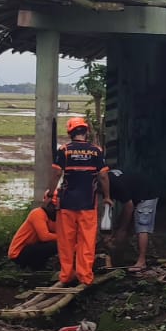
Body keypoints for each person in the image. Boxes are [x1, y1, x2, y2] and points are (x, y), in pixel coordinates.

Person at [51, 116, 109, 288]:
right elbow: (104, 176)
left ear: (70, 133)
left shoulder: (64, 150)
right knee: (86, 240)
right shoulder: (96, 151)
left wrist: (48, 193)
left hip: (67, 203)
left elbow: (56, 174)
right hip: (88, 204)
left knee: (66, 241)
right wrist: (107, 196)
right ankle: (85, 276)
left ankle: (67, 275)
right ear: (86, 131)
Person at [107, 168, 160, 272]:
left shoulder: (116, 185)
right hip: (135, 193)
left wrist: (122, 229)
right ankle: (124, 252)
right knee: (122, 222)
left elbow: (129, 206)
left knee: (142, 226)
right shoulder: (107, 180)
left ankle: (141, 261)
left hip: (147, 193)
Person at [8, 190, 60, 270]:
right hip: (19, 253)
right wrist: (64, 238)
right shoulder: (38, 213)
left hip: (34, 247)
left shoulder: (59, 217)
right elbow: (45, 237)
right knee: (56, 245)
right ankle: (36, 267)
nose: (52, 207)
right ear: (45, 200)